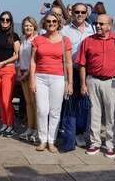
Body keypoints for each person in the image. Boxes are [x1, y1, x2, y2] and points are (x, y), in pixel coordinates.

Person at [76, 14, 115, 158]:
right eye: (96, 23)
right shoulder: (87, 41)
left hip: (112, 82)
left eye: (101, 24)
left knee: (112, 115)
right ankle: (95, 143)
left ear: (110, 25)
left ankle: (110, 145)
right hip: (93, 81)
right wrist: (83, 84)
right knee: (94, 114)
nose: (98, 26)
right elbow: (82, 64)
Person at [30, 12, 73, 153]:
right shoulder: (37, 40)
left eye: (54, 21)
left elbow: (68, 63)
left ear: (58, 23)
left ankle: (51, 141)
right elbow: (33, 61)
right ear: (44, 23)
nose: (51, 23)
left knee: (55, 111)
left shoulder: (65, 40)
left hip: (58, 78)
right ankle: (42, 140)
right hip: (40, 77)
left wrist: (70, 83)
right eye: (48, 21)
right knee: (42, 110)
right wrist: (32, 80)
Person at [61, 3, 95, 147]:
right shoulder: (65, 30)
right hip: (72, 70)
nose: (80, 14)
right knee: (71, 104)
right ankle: (70, 133)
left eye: (82, 12)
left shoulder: (92, 29)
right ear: (72, 13)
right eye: (77, 12)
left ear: (86, 14)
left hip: (89, 71)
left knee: (85, 105)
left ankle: (81, 132)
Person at [0, 11, 20, 137]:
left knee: (6, 99)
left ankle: (10, 125)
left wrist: (3, 63)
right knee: (0, 99)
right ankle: (4, 123)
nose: (5, 22)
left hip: (8, 70)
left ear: (11, 22)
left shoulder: (15, 36)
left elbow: (17, 55)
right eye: (2, 19)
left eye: (7, 20)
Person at [17, 16, 38, 142]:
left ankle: (37, 129)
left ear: (34, 26)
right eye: (26, 25)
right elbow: (20, 57)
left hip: (32, 75)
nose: (28, 27)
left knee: (36, 104)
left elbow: (35, 60)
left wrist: (27, 74)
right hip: (23, 72)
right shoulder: (23, 39)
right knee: (28, 103)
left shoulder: (36, 39)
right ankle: (30, 127)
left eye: (30, 25)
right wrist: (20, 71)